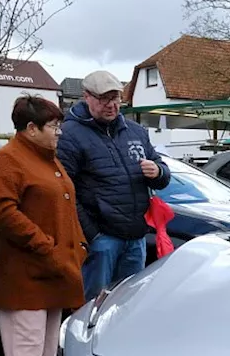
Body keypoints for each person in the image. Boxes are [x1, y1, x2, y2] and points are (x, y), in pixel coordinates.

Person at [0, 95, 87, 356]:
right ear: (31, 129)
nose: (59, 132)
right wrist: (44, 244)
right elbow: (3, 211)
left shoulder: (51, 159)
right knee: (25, 350)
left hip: (55, 268)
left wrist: (79, 246)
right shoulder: (8, 159)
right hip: (25, 271)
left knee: (47, 350)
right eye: (53, 126)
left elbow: (66, 208)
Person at [56, 70, 170, 301]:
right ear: (86, 97)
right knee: (93, 307)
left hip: (136, 237)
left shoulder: (135, 131)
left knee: (129, 307)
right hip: (101, 240)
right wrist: (92, 235)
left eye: (115, 98)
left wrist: (158, 171)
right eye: (103, 99)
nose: (111, 105)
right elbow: (63, 192)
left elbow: (163, 174)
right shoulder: (69, 135)